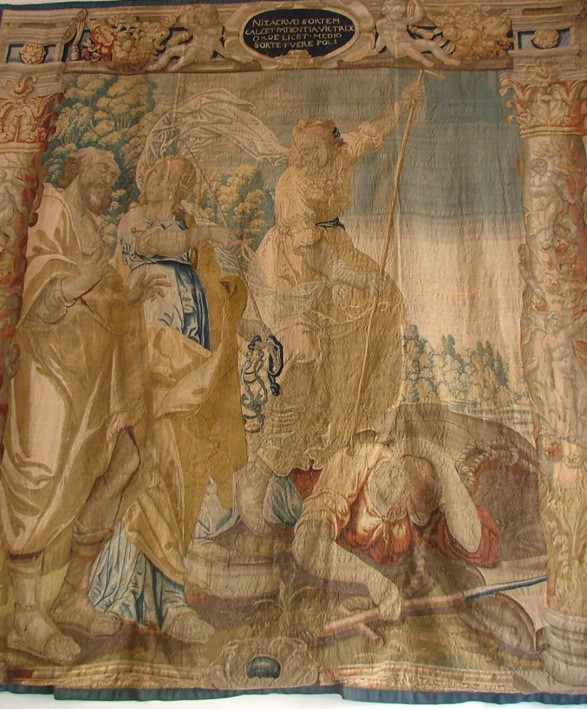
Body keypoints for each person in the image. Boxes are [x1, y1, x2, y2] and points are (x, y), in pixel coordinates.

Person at [237, 83, 424, 535]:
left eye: (315, 149)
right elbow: (312, 252)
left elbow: (373, 133)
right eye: (301, 150)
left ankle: (353, 430)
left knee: (382, 304)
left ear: (330, 146)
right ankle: (257, 476)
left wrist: (405, 102)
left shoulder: (339, 156)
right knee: (304, 360)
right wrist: (352, 278)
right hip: (296, 271)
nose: (306, 157)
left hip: (334, 248)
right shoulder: (291, 186)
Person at [0, 148, 162, 665]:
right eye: (101, 176)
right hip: (49, 370)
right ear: (77, 172)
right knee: (41, 475)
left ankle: (73, 593)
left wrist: (129, 293)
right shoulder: (51, 210)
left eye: (113, 180)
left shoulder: (90, 225)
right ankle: (25, 615)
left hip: (95, 372)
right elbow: (44, 295)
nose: (108, 187)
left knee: (119, 463)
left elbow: (103, 292)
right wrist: (86, 280)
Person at [90, 156, 248, 643]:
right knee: (160, 461)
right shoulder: (136, 221)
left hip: (190, 357)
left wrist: (246, 311)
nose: (164, 180)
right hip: (149, 355)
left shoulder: (188, 228)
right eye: (161, 173)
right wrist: (207, 235)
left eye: (176, 177)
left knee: (184, 467)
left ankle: (160, 590)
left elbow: (218, 289)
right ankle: (161, 599)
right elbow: (152, 246)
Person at [291, 430, 500, 621]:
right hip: (317, 586)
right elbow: (307, 545)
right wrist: (372, 580)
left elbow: (471, 541)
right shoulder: (359, 459)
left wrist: (442, 462)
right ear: (400, 459)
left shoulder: (420, 503)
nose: (407, 509)